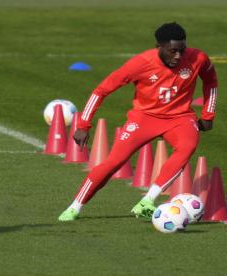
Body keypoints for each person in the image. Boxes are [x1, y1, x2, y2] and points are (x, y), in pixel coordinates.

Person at [58, 22, 218, 221]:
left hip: (180, 117)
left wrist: (208, 115)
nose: (178, 56)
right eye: (172, 51)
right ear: (158, 47)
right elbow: (101, 91)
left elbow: (211, 81)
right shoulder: (140, 63)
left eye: (182, 50)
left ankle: (148, 201)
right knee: (113, 162)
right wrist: (83, 125)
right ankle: (75, 207)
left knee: (188, 146)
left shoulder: (198, 58)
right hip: (144, 119)